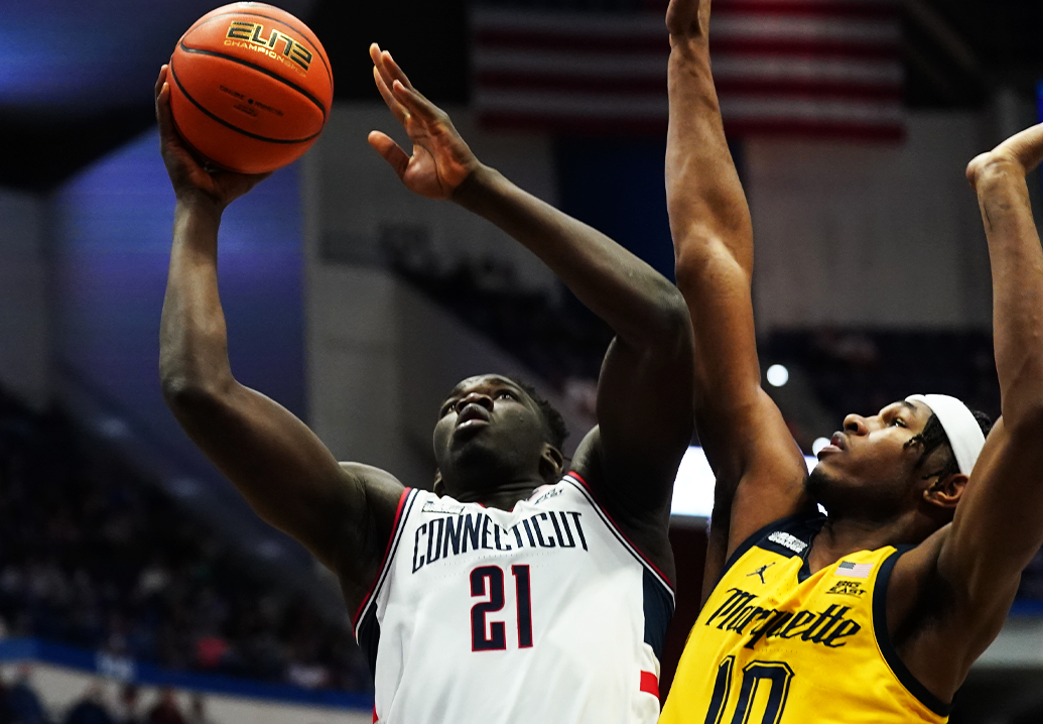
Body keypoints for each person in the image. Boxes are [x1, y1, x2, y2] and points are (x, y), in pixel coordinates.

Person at [153, 41, 693, 724]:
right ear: (434, 475)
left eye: (501, 392)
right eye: (452, 403)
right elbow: (196, 388)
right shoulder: (383, 523)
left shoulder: (613, 505)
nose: (471, 399)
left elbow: (662, 324)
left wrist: (480, 188)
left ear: (554, 457)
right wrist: (196, 206)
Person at [657, 0, 1043, 719]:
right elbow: (709, 261)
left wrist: (1001, 184)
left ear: (948, 490)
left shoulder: (933, 593)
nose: (858, 417)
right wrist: (686, 46)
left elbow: (1041, 410)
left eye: (897, 422)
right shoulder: (768, 516)